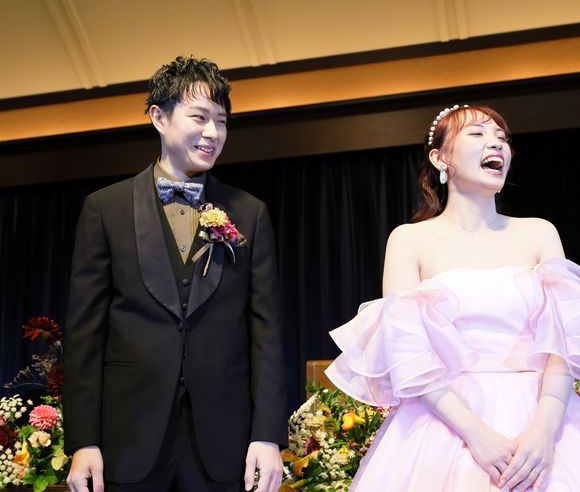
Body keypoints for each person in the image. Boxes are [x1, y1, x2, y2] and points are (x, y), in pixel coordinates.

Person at [326, 105, 580, 491]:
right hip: (446, 422)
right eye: (477, 134)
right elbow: (407, 352)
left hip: (543, 418)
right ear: (440, 157)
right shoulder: (410, 240)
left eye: (501, 138)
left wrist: (545, 432)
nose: (495, 143)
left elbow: (564, 341)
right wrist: (477, 436)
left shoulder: (539, 233)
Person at [63, 56, 287, 492]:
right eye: (199, 118)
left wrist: (267, 435)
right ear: (159, 118)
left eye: (221, 122)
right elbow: (84, 335)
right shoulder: (105, 210)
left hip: (225, 442)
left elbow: (267, 333)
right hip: (128, 438)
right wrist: (84, 441)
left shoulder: (250, 213)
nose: (213, 133)